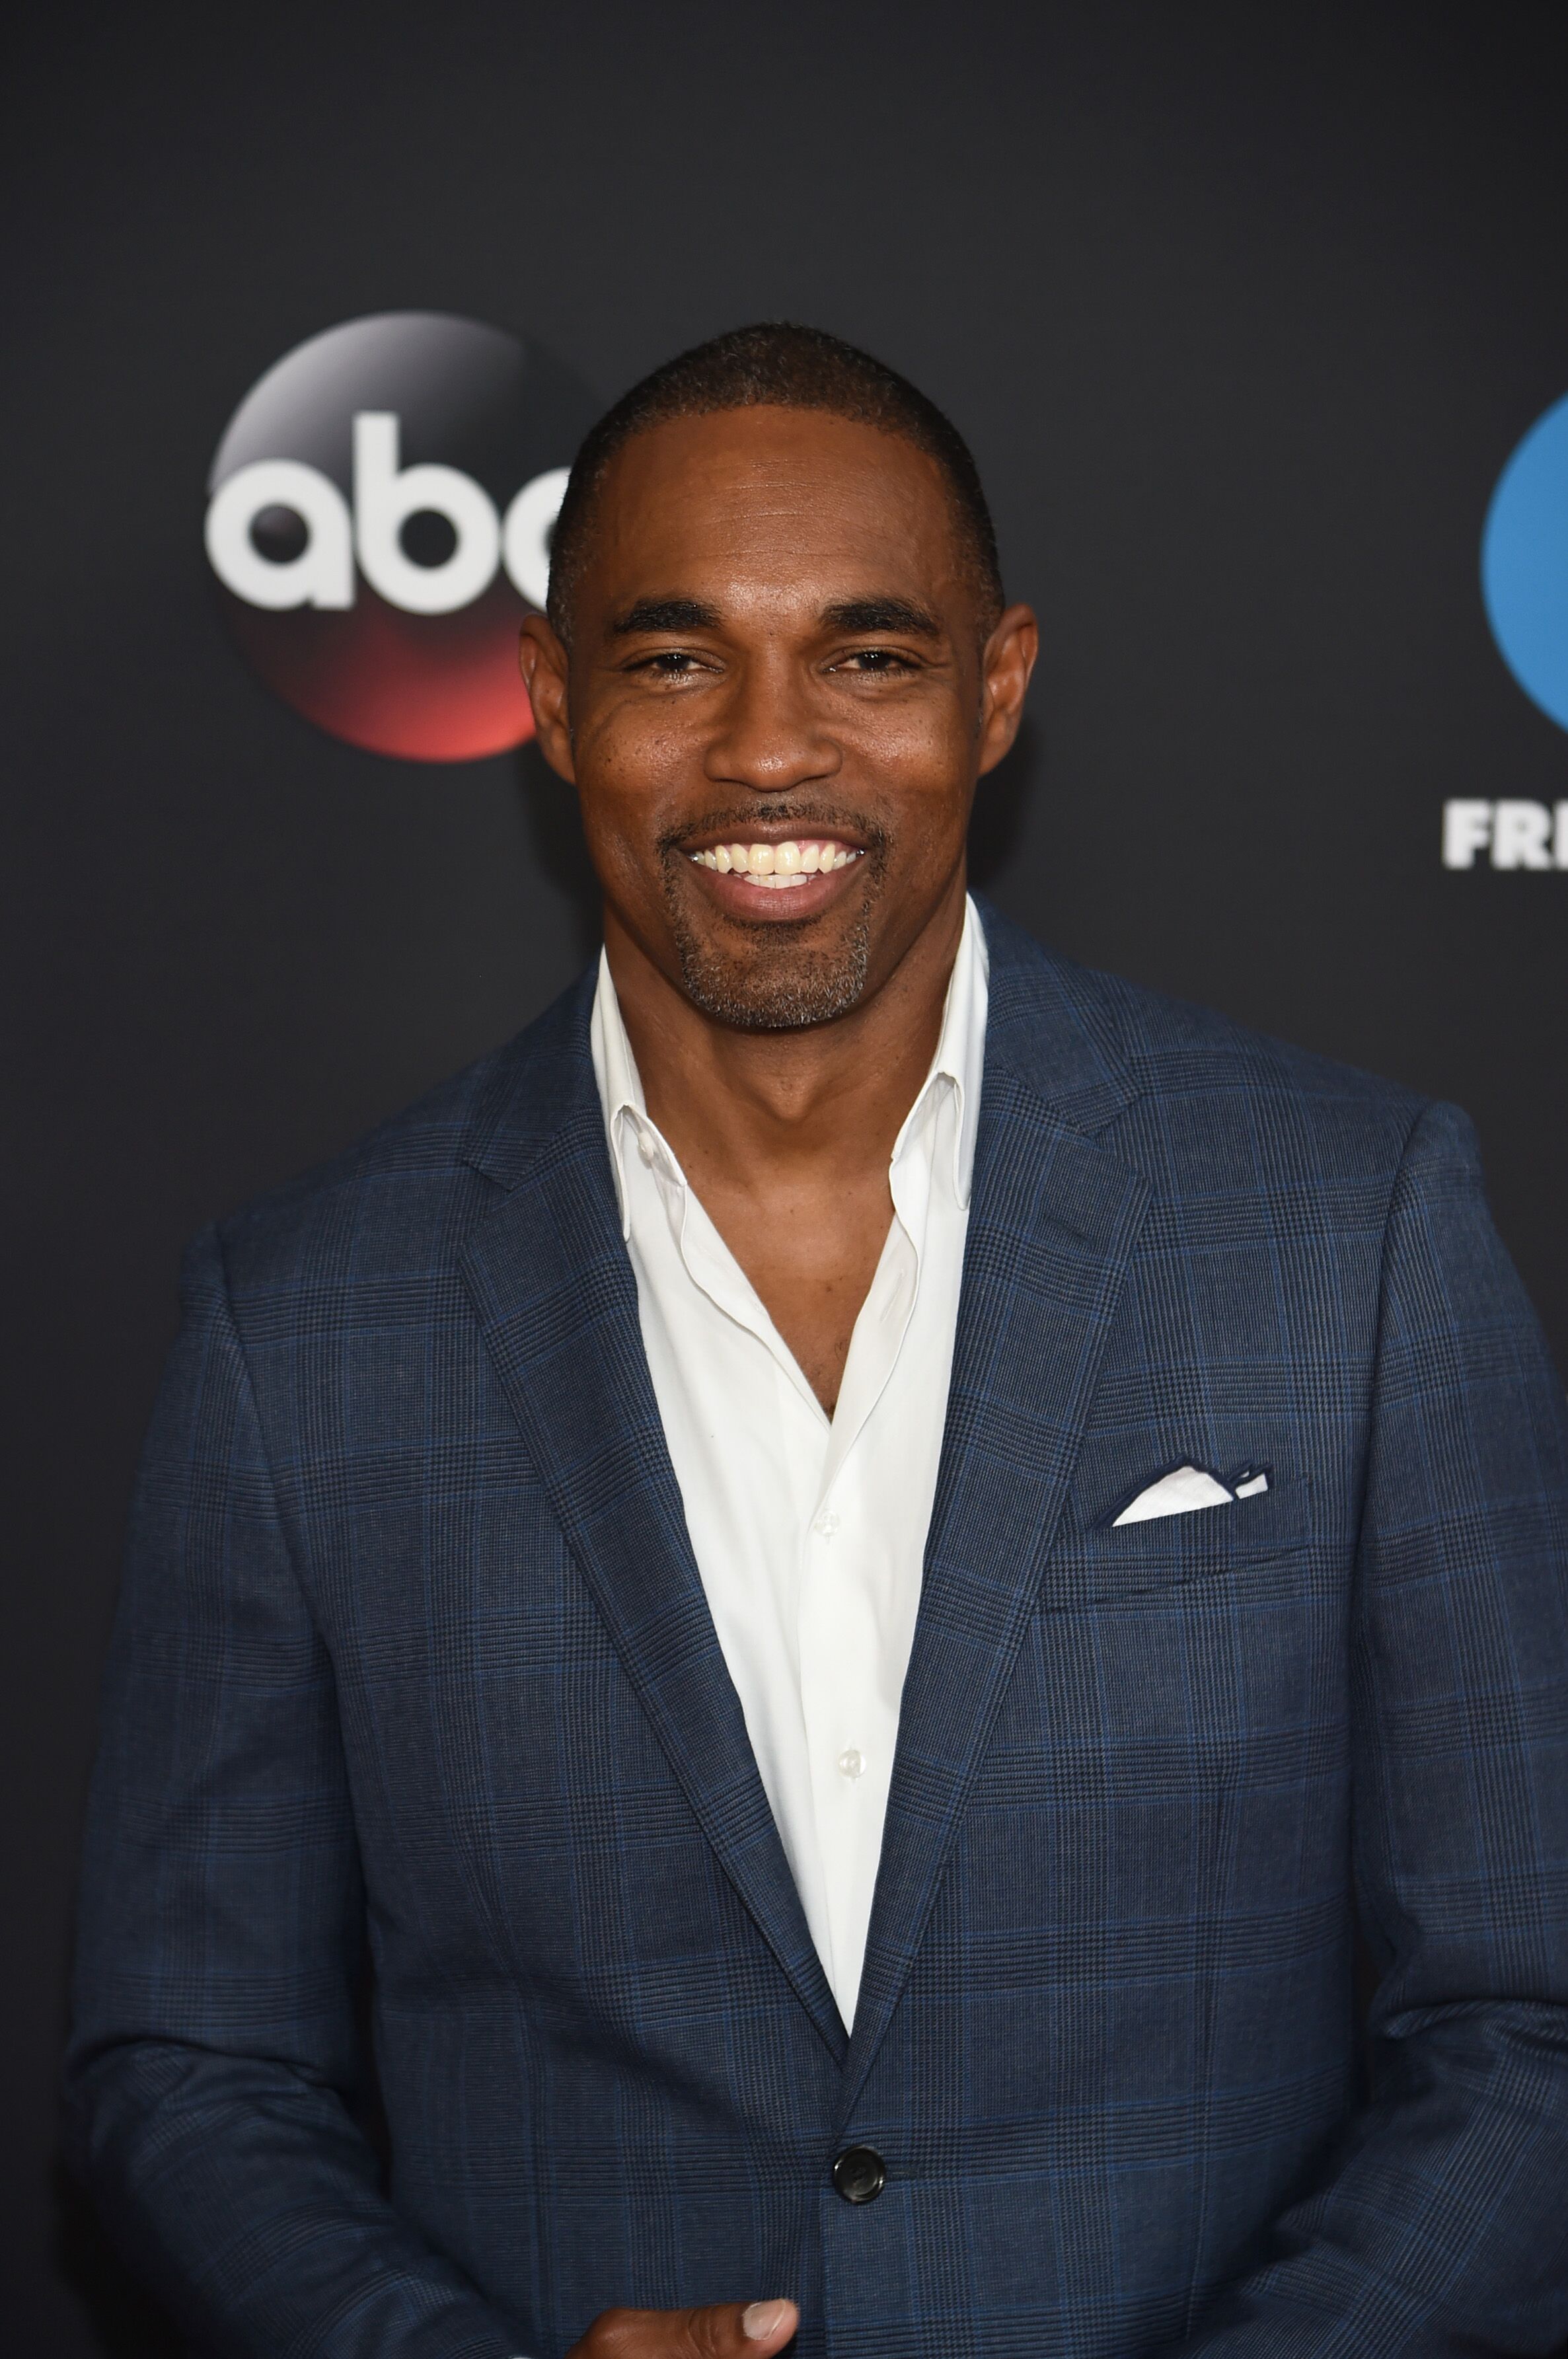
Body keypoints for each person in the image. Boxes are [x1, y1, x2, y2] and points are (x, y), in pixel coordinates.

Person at [67, 323, 1568, 2359]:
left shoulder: (1349, 1222)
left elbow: (1527, 2013)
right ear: (550, 700)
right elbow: (187, 2068)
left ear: (998, 689)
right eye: (677, 658)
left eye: (867, 655)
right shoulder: (303, 1319)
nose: (772, 749)